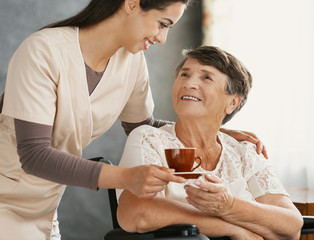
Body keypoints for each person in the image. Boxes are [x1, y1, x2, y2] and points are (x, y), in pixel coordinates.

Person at [0, 1, 268, 239]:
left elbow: (142, 126)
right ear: (131, 4)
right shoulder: (43, 51)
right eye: (163, 24)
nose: (163, 38)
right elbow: (34, 154)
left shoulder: (131, 61)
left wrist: (212, 133)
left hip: (46, 206)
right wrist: (126, 177)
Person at [116, 46, 303, 240]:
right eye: (184, 74)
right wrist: (234, 229)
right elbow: (138, 211)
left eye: (206, 77)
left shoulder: (244, 152)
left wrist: (229, 206)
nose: (189, 83)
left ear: (232, 103)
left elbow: (291, 226)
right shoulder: (151, 140)